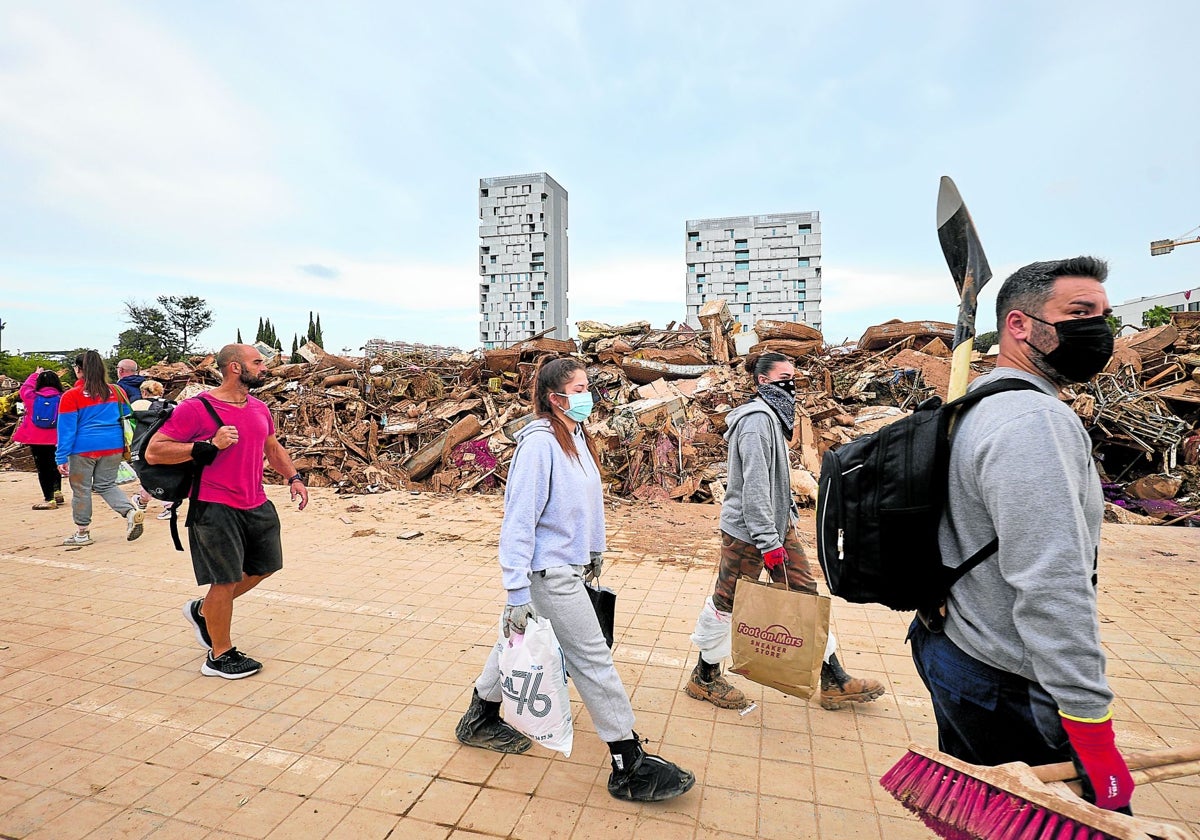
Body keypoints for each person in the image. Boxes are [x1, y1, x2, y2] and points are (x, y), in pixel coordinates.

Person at [908, 257, 1134, 813]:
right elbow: (1053, 584)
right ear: (1019, 325)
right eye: (1079, 313)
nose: (1098, 329)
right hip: (1008, 680)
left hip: (950, 644)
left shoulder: (970, 404)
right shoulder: (1034, 422)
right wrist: (1090, 723)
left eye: (1105, 315)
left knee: (989, 817)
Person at [455, 356, 695, 803]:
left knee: (516, 640)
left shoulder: (575, 437)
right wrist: (515, 591)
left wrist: (593, 551)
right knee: (592, 659)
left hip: (567, 566)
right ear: (555, 397)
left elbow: (588, 503)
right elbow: (518, 522)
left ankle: (480, 716)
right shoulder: (540, 445)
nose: (588, 396)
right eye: (580, 388)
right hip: (548, 574)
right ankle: (628, 762)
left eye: (589, 387)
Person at [686, 352, 886, 711]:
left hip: (777, 527)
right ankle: (704, 676)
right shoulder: (755, 422)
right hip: (749, 534)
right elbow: (755, 488)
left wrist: (782, 529)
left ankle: (834, 679)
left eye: (793, 377)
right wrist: (768, 541)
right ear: (763, 382)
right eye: (784, 377)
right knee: (728, 603)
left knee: (805, 595)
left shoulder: (773, 418)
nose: (792, 384)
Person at [146, 344, 308, 680]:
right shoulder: (196, 408)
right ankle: (219, 655)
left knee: (265, 566)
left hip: (256, 501)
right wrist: (208, 446)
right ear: (234, 367)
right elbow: (154, 452)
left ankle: (205, 612)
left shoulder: (259, 408)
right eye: (258, 362)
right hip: (213, 505)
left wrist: (293, 477)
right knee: (225, 580)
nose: (264, 368)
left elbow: (272, 447)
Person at [55, 351, 145, 546]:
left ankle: (82, 533)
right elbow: (129, 416)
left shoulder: (72, 395)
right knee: (106, 485)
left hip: (83, 449)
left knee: (81, 490)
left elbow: (66, 430)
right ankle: (129, 511)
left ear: (79, 370)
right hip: (114, 446)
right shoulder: (115, 391)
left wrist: (61, 457)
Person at [14, 367, 65, 510]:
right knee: (55, 463)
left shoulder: (31, 396)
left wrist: (35, 374)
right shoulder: (63, 398)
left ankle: (50, 499)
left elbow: (24, 387)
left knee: (43, 468)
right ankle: (57, 491)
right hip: (56, 437)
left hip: (35, 438)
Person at [128, 379, 167, 512]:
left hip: (144, 445)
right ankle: (168, 505)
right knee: (165, 473)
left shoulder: (138, 404)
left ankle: (143, 500)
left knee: (147, 473)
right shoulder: (171, 404)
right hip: (167, 444)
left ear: (144, 392)